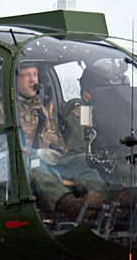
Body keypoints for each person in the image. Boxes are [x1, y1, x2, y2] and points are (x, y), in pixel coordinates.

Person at [15, 63, 105, 221]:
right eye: (26, 75)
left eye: (34, 75)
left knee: (79, 161)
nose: (32, 80)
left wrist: (59, 154)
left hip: (47, 163)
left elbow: (58, 143)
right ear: (16, 80)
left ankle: (106, 204)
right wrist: (37, 153)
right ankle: (70, 206)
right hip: (17, 167)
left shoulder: (42, 111)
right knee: (34, 164)